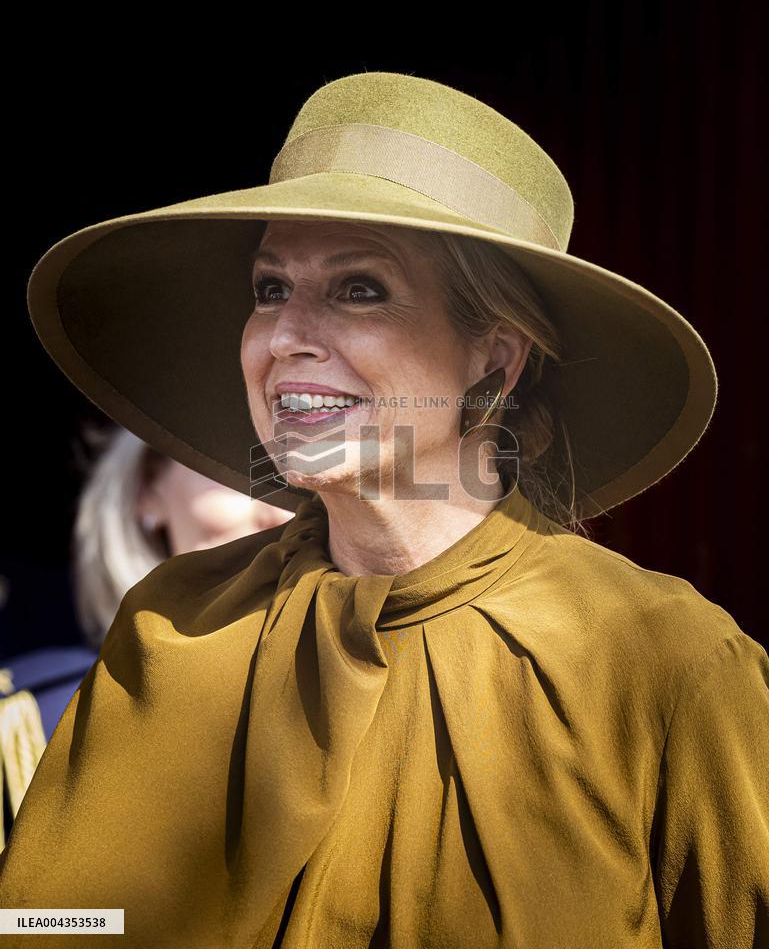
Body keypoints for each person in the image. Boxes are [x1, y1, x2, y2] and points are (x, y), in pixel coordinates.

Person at [0, 71, 766, 948]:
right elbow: (51, 922)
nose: (285, 337)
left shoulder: (667, 663)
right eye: (269, 288)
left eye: (359, 288)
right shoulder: (173, 626)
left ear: (496, 358)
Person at [0, 425, 293, 848]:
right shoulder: (40, 725)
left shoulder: (401, 686)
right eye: (238, 470)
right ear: (148, 489)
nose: (282, 514)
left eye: (304, 477)